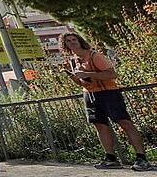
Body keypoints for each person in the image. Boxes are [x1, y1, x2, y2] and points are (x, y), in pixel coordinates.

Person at [61, 32, 152, 170]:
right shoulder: (73, 60)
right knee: (100, 126)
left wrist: (87, 74)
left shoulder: (94, 55)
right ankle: (110, 158)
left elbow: (112, 74)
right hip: (90, 95)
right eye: (68, 41)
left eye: (74, 39)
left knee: (124, 122)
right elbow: (84, 83)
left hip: (108, 93)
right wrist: (73, 77)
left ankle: (141, 158)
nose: (72, 42)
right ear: (65, 45)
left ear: (80, 41)